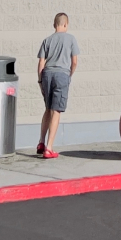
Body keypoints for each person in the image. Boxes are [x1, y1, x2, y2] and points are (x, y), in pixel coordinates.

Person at [36, 12, 80, 158]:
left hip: (47, 74)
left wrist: (40, 80)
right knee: (56, 111)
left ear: (54, 25)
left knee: (48, 109)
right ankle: (49, 148)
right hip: (62, 75)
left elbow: (41, 62)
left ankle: (41, 142)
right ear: (66, 24)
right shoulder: (71, 39)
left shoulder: (47, 40)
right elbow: (74, 61)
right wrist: (69, 75)